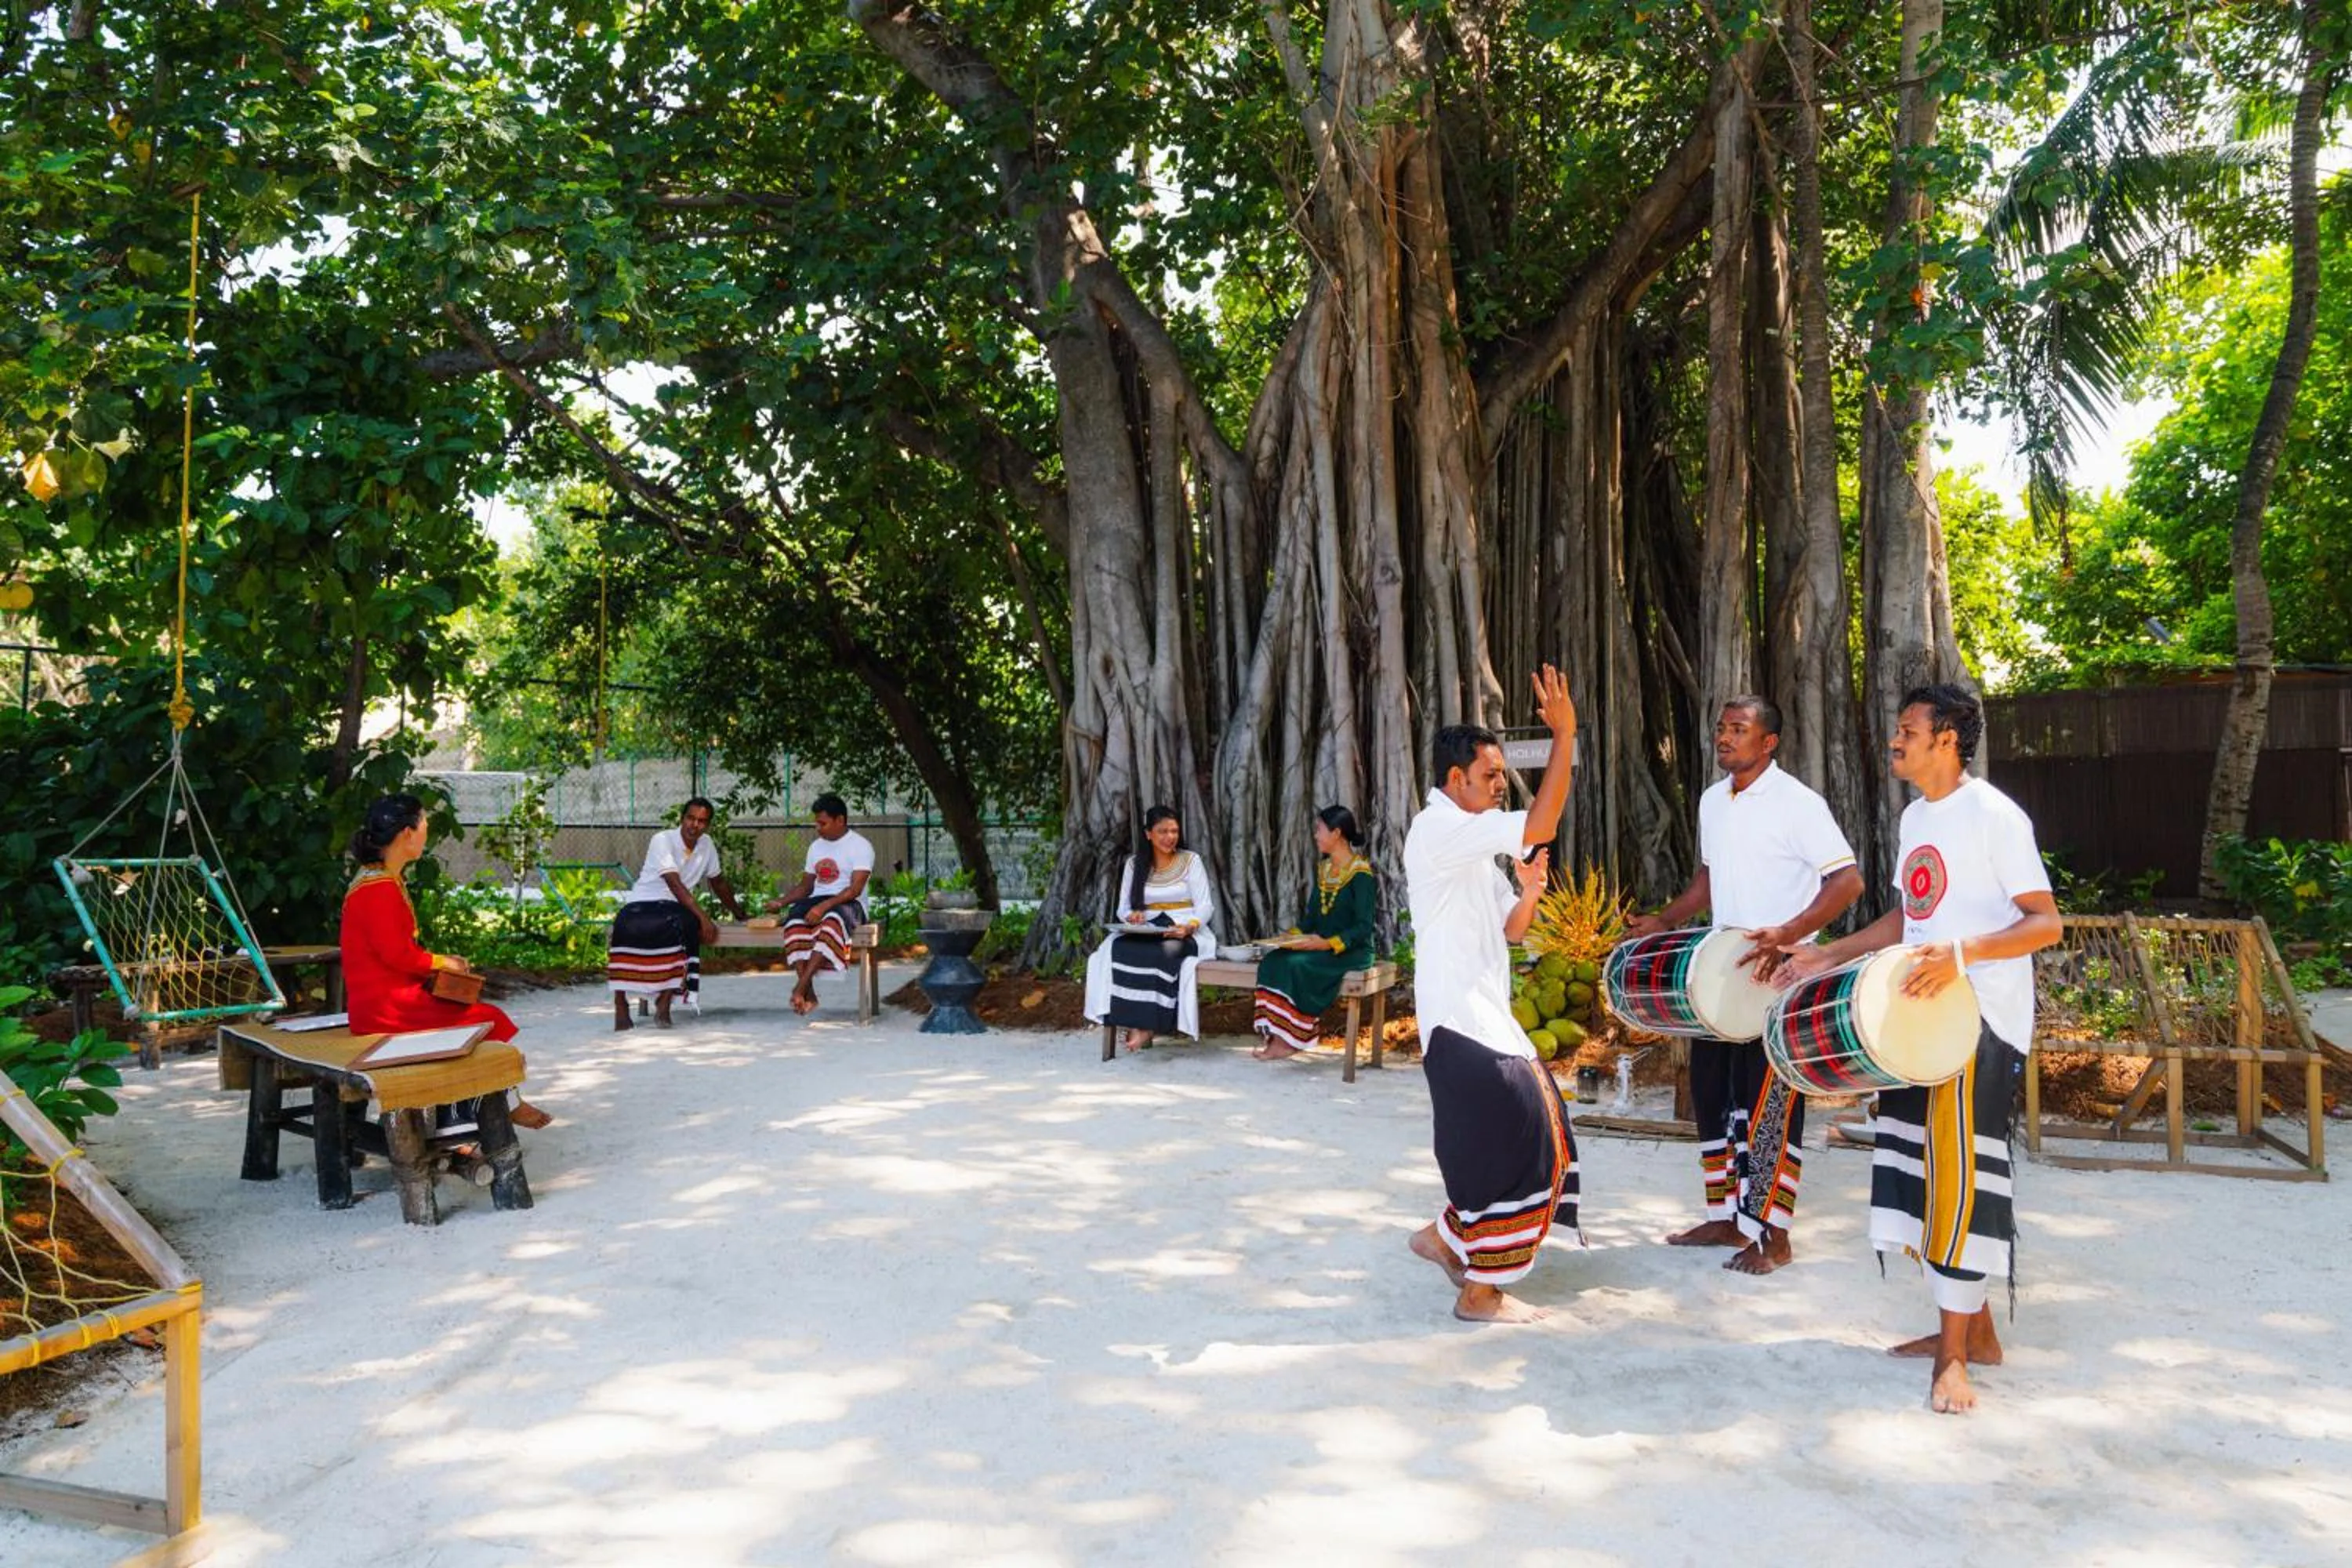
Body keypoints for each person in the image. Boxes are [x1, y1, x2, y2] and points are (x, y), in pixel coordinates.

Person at [1777, 682, 2060, 1414]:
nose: (1894, 739)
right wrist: (1829, 955)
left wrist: (1961, 955)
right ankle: (1978, 1336)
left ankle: (1954, 1358)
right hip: (1917, 1020)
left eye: (1908, 729)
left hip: (1979, 1023)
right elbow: (1911, 916)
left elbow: (2045, 923)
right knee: (1916, 1167)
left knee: (1959, 1179)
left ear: (1948, 740)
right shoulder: (1913, 818)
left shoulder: (1996, 816)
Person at [1626, 696, 1863, 1275]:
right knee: (1714, 1098)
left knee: (1769, 1104)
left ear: (1769, 742)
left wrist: (1789, 933)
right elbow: (1710, 876)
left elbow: (1848, 881)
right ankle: (1728, 1216)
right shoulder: (1713, 800)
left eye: (1739, 729)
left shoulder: (1799, 804)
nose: (1724, 737)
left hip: (1775, 978)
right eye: (1721, 728)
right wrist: (1666, 920)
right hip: (1719, 979)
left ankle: (1774, 1235)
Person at [1402, 666, 1581, 1324]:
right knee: (1524, 1138)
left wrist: (1530, 890)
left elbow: (1510, 929)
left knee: (1539, 1133)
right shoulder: (1439, 830)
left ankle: (1443, 1238)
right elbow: (1543, 818)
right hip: (1458, 1022)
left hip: (1487, 1019)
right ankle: (1481, 1291)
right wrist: (1565, 735)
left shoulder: (1471, 846)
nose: (1501, 784)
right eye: (1492, 776)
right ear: (1456, 781)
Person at [342, 794, 551, 1131]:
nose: (427, 831)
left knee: (476, 1017)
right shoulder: (378, 887)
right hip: (387, 1009)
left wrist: (441, 963)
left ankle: (463, 1117)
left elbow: (395, 952)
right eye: (424, 824)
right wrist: (443, 963)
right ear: (407, 833)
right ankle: (469, 1118)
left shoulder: (377, 878)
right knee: (488, 1018)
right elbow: (397, 954)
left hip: (383, 1002)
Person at [1083, 805, 1218, 1053]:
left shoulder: (1191, 861)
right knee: (1117, 948)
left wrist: (1190, 927)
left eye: (1174, 831)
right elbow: (1123, 908)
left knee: (1164, 953)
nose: (1170, 837)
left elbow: (1206, 906)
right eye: (1163, 831)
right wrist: (1132, 916)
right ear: (1148, 834)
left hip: (1184, 929)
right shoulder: (1135, 865)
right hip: (1148, 928)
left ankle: (1147, 1026)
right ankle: (1131, 1020)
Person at [608, 797, 746, 1031]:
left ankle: (664, 1004)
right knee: (623, 926)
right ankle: (620, 1003)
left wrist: (739, 913)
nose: (695, 825)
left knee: (685, 926)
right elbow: (674, 884)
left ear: (708, 825)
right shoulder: (662, 840)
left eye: (702, 821)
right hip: (644, 900)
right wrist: (704, 918)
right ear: (682, 819)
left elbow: (719, 882)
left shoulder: (707, 845)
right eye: (691, 818)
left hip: (675, 906)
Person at [1251, 805, 1377, 1062]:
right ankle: (1278, 1036)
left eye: (1319, 830)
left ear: (1337, 833)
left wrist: (1328, 944)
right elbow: (1311, 918)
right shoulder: (1324, 870)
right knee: (1274, 960)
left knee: (1297, 965)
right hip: (1321, 948)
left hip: (1351, 951)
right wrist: (1291, 937)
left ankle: (1291, 1040)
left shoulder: (1361, 875)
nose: (1315, 836)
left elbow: (1364, 926)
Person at [771, 793, 877, 1015]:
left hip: (850, 903)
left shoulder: (860, 846)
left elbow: (855, 890)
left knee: (830, 923)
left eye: (823, 823)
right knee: (793, 924)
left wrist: (824, 907)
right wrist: (781, 902)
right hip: (819, 900)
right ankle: (807, 992)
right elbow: (806, 888)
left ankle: (800, 988)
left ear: (840, 820)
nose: (817, 828)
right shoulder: (816, 847)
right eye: (816, 822)